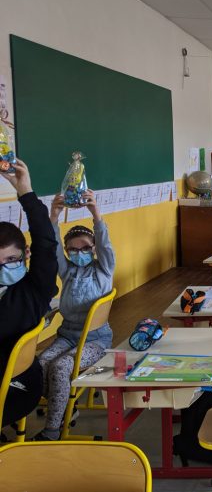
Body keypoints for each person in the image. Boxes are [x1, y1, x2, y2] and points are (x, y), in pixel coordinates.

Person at [34, 190, 115, 440]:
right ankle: (66, 408)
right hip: (67, 335)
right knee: (40, 364)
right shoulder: (67, 271)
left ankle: (52, 430)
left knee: (60, 367)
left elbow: (105, 244)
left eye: (85, 248)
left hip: (95, 340)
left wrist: (95, 212)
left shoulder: (104, 270)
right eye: (73, 250)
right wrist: (54, 215)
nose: (79, 253)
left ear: (94, 249)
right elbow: (53, 246)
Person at [0, 160, 58, 429]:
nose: (4, 267)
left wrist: (25, 192)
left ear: (25, 255)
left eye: (11, 259)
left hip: (17, 387)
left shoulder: (34, 289)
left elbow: (46, 242)